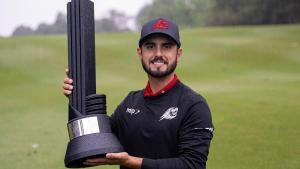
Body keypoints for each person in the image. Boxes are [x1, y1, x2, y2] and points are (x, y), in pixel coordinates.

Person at [63, 18, 214, 169]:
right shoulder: (130, 103)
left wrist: (130, 162)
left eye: (167, 46)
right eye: (150, 46)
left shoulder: (194, 105)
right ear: (140, 52)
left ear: (178, 53)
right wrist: (77, 97)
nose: (158, 53)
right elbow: (94, 141)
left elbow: (192, 165)